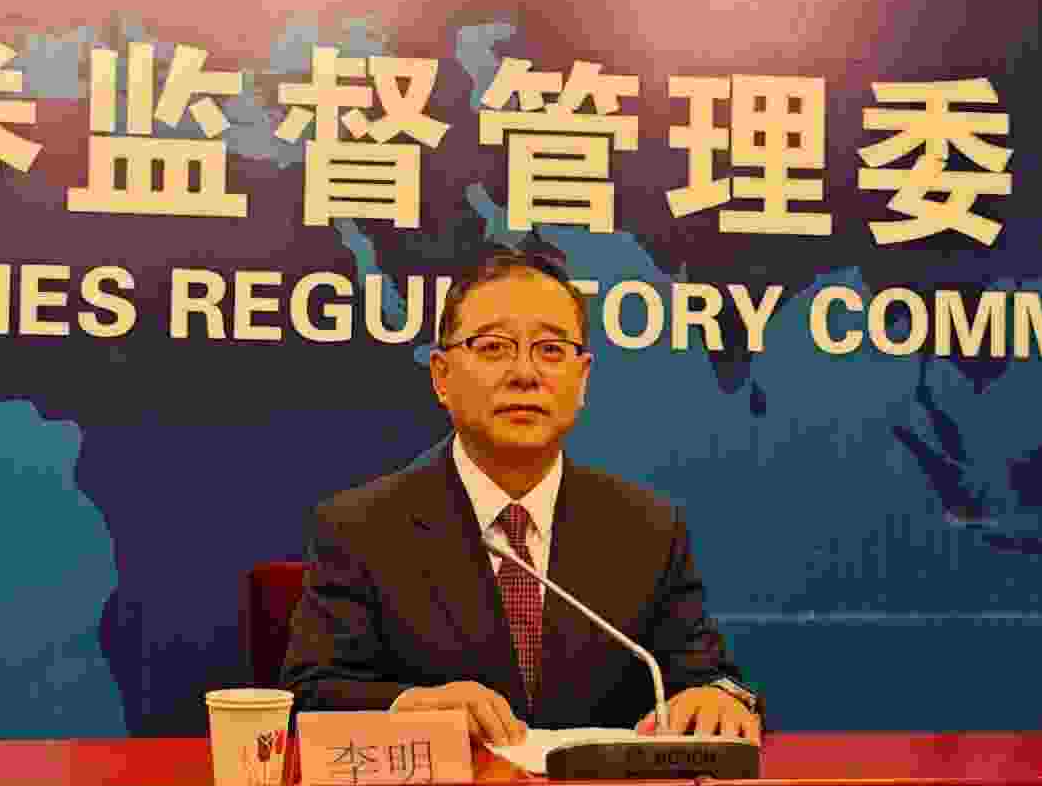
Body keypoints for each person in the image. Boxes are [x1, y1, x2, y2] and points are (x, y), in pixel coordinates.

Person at [282, 247, 762, 745]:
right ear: (441, 376)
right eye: (494, 347)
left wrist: (717, 697)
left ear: (583, 379)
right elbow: (311, 694)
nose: (525, 374)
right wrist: (413, 706)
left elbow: (710, 677)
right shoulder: (361, 528)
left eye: (551, 350)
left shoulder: (648, 529)